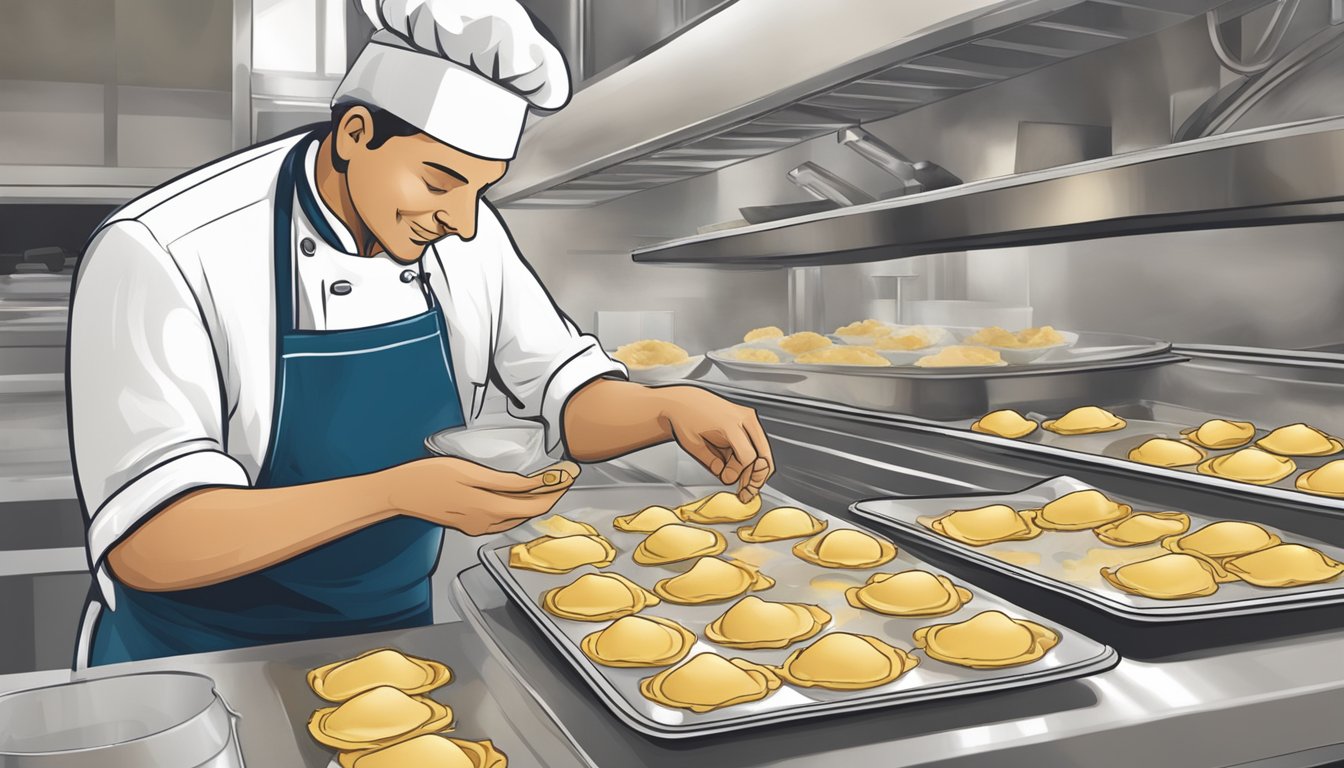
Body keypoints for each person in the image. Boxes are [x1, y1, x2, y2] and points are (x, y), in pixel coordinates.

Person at [68, 0, 773, 667]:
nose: (463, 221)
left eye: (481, 188)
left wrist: (668, 408)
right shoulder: (165, 250)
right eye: (440, 182)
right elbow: (150, 541)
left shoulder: (463, 234)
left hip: (394, 645)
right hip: (196, 659)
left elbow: (565, 391)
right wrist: (398, 492)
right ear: (355, 136)